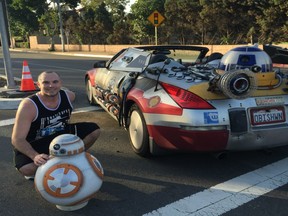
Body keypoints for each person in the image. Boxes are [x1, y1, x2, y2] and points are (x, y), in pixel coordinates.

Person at [11, 71, 100, 179]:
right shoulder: (29, 105)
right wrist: (35, 156)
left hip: (60, 135)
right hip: (36, 141)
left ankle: (73, 158)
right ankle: (55, 162)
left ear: (60, 83)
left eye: (55, 82)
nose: (51, 85)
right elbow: (17, 139)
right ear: (38, 85)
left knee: (94, 130)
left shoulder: (69, 96)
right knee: (27, 169)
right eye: (46, 82)